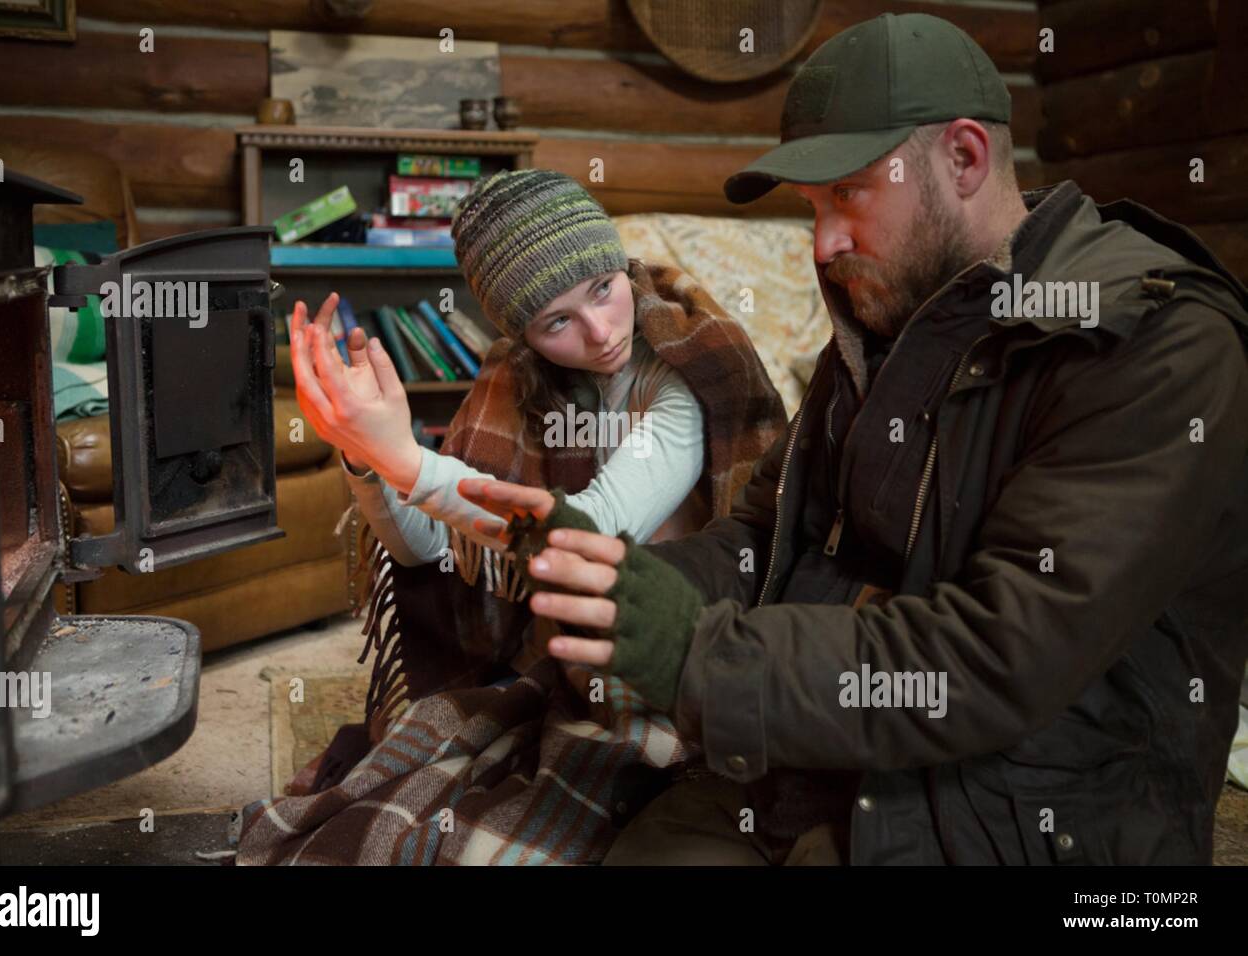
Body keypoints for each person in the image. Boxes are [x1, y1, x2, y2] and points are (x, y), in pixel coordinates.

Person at [462, 12, 1248, 865]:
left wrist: (700, 655)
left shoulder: (1155, 342)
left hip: (1032, 808)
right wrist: (613, 575)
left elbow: (1000, 653)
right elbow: (769, 538)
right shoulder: (888, 312)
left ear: (964, 158)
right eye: (811, 206)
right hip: (825, 752)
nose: (822, 243)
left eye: (849, 194)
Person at [234, 170, 787, 865]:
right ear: (522, 333)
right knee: (386, 810)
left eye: (603, 290)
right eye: (557, 321)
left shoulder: (685, 373)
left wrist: (408, 458)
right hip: (560, 642)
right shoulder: (515, 380)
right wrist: (367, 459)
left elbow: (592, 528)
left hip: (680, 643)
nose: (600, 331)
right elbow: (426, 551)